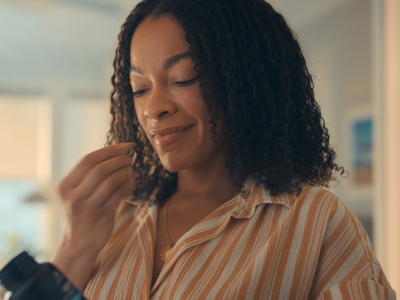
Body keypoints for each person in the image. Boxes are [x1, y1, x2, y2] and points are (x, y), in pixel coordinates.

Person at [50, 0, 396, 299]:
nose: (153, 107)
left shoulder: (315, 220)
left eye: (183, 77)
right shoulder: (113, 216)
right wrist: (74, 246)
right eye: (139, 88)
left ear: (243, 82)